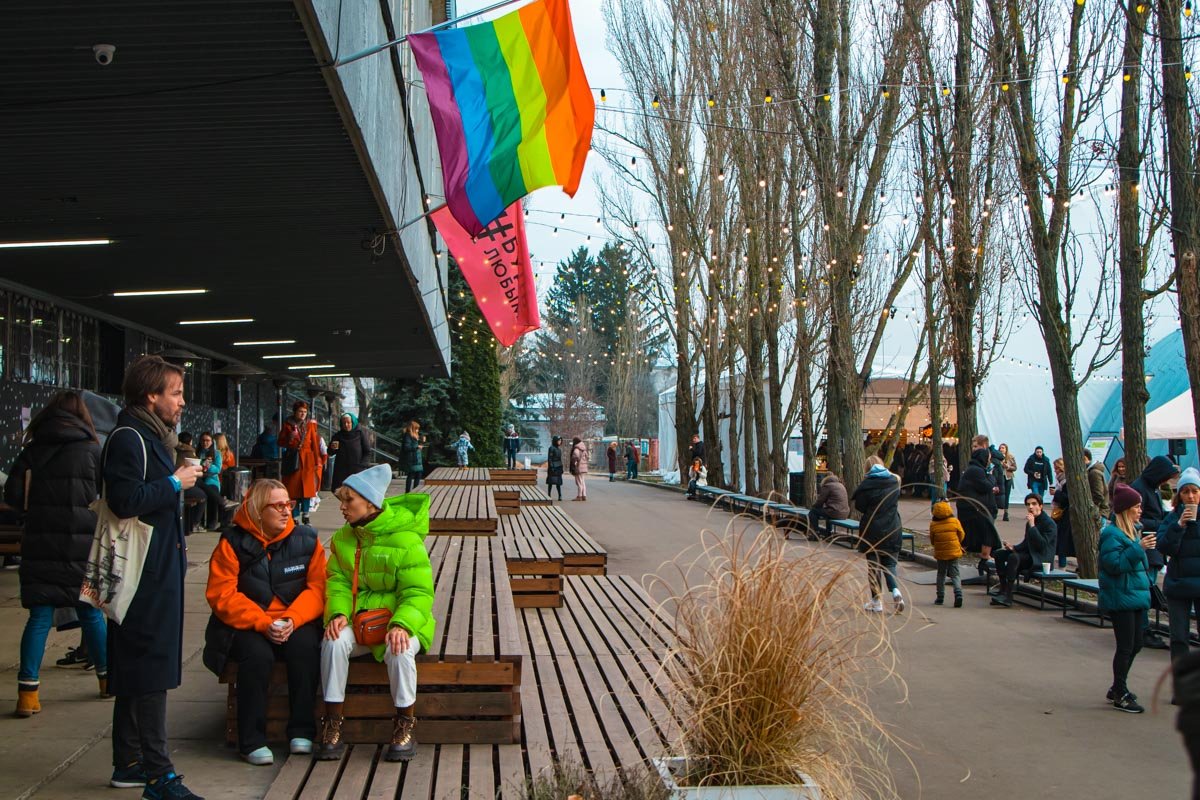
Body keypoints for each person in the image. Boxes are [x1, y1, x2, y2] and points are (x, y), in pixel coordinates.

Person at [103, 355, 205, 799]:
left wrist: (181, 477)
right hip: (142, 574)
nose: (181, 402)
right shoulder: (130, 437)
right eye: (175, 393)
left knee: (137, 668)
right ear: (151, 395)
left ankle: (128, 763)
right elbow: (125, 500)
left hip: (156, 568)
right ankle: (160, 777)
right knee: (151, 669)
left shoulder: (149, 436)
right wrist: (175, 483)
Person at [202, 479, 325, 765]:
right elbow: (222, 594)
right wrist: (260, 622)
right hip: (247, 623)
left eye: (289, 505)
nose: (286, 511)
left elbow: (318, 588)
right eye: (278, 505)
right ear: (258, 510)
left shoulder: (306, 539)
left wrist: (293, 619)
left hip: (294, 620)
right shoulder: (231, 542)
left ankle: (302, 731)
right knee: (256, 656)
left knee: (306, 646)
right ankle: (251, 740)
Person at [318, 465, 435, 763]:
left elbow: (418, 593)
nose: (343, 508)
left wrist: (402, 624)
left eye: (349, 501)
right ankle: (332, 723)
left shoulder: (406, 540)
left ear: (370, 503)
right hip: (359, 621)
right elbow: (338, 581)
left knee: (400, 648)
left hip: (400, 620)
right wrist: (337, 614)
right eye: (342, 501)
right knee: (332, 641)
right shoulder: (345, 538)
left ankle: (405, 723)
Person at [7, 391, 108, 717]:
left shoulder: (33, 450)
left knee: (39, 617)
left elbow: (12, 495)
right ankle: (107, 680)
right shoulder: (93, 450)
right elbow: (104, 494)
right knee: (91, 613)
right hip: (82, 543)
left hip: (41, 542)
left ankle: (28, 694)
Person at [1100, 484, 1154, 713]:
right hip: (1121, 596)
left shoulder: (1133, 532)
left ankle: (1116, 687)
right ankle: (1120, 692)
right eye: (1137, 506)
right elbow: (1113, 565)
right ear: (1126, 509)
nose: (1140, 510)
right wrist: (1138, 548)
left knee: (1137, 644)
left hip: (1136, 596)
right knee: (1125, 646)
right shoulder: (1112, 534)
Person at [1132, 454, 1180, 651]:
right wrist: (1163, 524)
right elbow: (1136, 520)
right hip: (1148, 545)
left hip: (1154, 545)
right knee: (1146, 589)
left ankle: (1142, 628)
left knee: (1148, 588)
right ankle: (1142, 630)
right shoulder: (1140, 489)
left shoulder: (1151, 488)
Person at [1157, 467, 1200, 662]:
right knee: (1179, 638)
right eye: (1185, 491)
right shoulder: (1172, 518)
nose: (1190, 496)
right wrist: (1179, 527)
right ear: (1179, 495)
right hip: (1178, 584)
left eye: (1194, 491)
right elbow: (1164, 547)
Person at [852, 456, 905, 614]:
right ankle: (896, 592)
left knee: (874, 567)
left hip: (872, 530)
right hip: (893, 528)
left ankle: (876, 601)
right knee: (889, 565)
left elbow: (860, 507)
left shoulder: (865, 486)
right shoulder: (894, 482)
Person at [991, 495, 1058, 608]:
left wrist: (1032, 526)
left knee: (1014, 558)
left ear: (1041, 506)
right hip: (1030, 554)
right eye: (1028, 504)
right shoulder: (1030, 523)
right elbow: (1026, 543)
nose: (1030, 507)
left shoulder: (1049, 524)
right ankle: (1002, 589)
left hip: (1041, 558)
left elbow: (1042, 545)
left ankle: (1008, 596)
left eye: (1034, 504)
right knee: (999, 554)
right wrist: (1014, 547)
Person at [957, 442, 1001, 575]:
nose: (989, 461)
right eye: (988, 458)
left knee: (973, 536)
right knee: (985, 533)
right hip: (974, 511)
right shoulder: (976, 470)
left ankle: (984, 561)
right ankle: (983, 559)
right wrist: (991, 476)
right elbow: (987, 485)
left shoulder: (976, 469)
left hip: (975, 509)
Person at [279, 401, 323, 525]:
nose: (303, 414)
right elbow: (280, 442)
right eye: (300, 411)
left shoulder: (310, 425)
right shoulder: (287, 425)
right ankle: (295, 516)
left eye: (305, 412)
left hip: (307, 461)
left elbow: (314, 442)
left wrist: (317, 460)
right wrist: (290, 438)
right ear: (295, 412)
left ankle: (306, 514)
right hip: (294, 460)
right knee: (293, 491)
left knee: (307, 490)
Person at [928, 501, 965, 607]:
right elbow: (962, 534)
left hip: (941, 553)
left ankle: (940, 597)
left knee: (941, 574)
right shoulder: (955, 521)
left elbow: (932, 540)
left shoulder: (933, 524)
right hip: (954, 551)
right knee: (955, 574)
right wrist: (957, 543)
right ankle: (958, 593)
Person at [330, 413, 372, 492]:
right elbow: (331, 452)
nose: (346, 425)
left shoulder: (360, 434)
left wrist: (362, 465)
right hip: (341, 472)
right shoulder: (337, 436)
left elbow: (367, 451)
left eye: (348, 423)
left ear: (353, 423)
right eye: (344, 423)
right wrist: (332, 448)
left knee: (356, 494)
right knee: (342, 494)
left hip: (357, 470)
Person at [195, 432, 224, 532]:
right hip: (199, 479)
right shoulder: (197, 452)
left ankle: (212, 522)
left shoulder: (217, 453)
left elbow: (218, 469)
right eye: (203, 440)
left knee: (212, 493)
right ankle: (200, 522)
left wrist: (207, 465)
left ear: (212, 442)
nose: (205, 443)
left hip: (212, 480)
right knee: (202, 495)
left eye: (207, 440)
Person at [809, 473, 850, 538]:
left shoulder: (828, 486)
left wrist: (814, 506)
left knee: (813, 511)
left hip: (835, 512)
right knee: (828, 513)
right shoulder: (841, 485)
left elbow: (820, 501)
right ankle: (828, 534)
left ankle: (816, 533)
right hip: (845, 513)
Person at [1051, 458, 1073, 570]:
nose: (1055, 471)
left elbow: (1067, 498)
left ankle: (1062, 566)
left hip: (1065, 514)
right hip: (1061, 513)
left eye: (1057, 468)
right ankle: (1061, 564)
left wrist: (1056, 493)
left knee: (1062, 541)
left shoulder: (1066, 481)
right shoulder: (1060, 480)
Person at [1085, 449, 1111, 523]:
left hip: (1099, 512)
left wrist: (1091, 508)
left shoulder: (1094, 473)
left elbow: (1098, 495)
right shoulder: (1091, 471)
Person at [400, 420, 424, 493]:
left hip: (417, 459)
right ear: (413, 428)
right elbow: (407, 447)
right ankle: (408, 492)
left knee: (418, 474)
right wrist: (417, 447)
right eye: (417, 428)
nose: (418, 430)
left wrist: (422, 442)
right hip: (412, 459)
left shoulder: (414, 436)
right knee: (411, 475)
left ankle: (414, 491)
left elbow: (415, 445)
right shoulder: (408, 435)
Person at [998, 443, 1018, 521]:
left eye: (1003, 448)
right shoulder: (996, 457)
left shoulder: (1010, 457)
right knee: (999, 494)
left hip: (1008, 477)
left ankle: (1006, 513)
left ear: (1006, 449)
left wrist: (1008, 467)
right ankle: (996, 510)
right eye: (1000, 448)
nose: (1001, 449)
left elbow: (1015, 467)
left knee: (1007, 495)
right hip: (999, 477)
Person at [570, 437, 589, 501]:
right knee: (583, 481)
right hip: (584, 467)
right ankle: (584, 495)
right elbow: (587, 457)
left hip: (578, 468)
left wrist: (574, 465)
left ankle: (579, 496)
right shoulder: (584, 449)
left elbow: (575, 458)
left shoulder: (576, 449)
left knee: (579, 482)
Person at [546, 436, 564, 501]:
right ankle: (549, 494)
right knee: (550, 482)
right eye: (558, 440)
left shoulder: (559, 449)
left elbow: (560, 459)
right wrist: (551, 467)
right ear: (555, 441)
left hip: (558, 467)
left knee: (558, 483)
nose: (560, 442)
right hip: (552, 467)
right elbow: (549, 459)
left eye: (560, 440)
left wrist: (562, 468)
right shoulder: (551, 448)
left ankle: (560, 495)